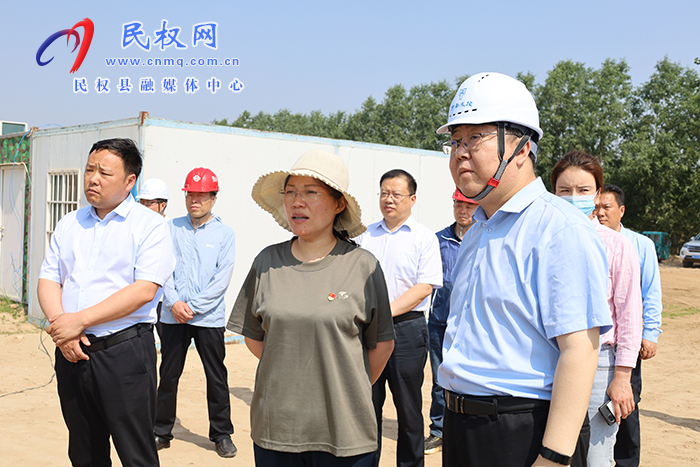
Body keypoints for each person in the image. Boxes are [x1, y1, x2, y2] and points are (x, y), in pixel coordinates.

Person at [436, 72, 612, 467]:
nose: (460, 152)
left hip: (523, 432)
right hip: (462, 428)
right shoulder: (477, 228)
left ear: (520, 146)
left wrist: (553, 456)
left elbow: (579, 349)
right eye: (454, 141)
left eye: (475, 138)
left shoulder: (559, 229)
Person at [227, 150, 395, 467]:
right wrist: (294, 366)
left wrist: (343, 382)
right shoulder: (267, 263)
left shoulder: (363, 267)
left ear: (339, 203)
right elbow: (254, 336)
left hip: (346, 434)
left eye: (311, 192)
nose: (296, 202)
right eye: (290, 192)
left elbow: (382, 344)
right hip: (277, 430)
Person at [38, 138, 176, 467]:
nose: (92, 178)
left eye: (104, 172)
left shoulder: (150, 227)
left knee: (136, 452)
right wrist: (65, 329)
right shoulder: (69, 223)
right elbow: (48, 279)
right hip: (71, 351)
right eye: (89, 170)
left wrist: (78, 320)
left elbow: (144, 290)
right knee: (84, 450)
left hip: (123, 355)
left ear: (130, 181)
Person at [551, 151, 643, 466]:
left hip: (599, 364)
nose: (573, 197)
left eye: (583, 190)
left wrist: (622, 377)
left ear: (597, 194)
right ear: (553, 193)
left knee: (597, 455)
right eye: (564, 191)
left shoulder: (616, 246)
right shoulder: (544, 240)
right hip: (547, 361)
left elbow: (629, 316)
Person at [358, 169, 443, 467]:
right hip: (367, 331)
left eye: (396, 194)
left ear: (412, 199)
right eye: (384, 193)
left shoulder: (424, 238)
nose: (388, 199)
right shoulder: (365, 235)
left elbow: (423, 287)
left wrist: (384, 311)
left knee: (408, 407)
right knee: (368, 405)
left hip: (407, 330)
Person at [154, 167, 237, 458]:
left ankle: (222, 434)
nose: (194, 201)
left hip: (208, 318)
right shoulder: (170, 228)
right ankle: (161, 431)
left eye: (201, 196)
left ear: (213, 198)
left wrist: (195, 307)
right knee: (168, 375)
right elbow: (162, 268)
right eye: (190, 195)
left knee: (216, 377)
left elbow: (222, 279)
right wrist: (174, 302)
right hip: (173, 315)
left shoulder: (225, 235)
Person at [596, 184, 663, 467]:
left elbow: (651, 292)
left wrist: (650, 334)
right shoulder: (587, 239)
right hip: (596, 345)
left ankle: (625, 461)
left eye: (606, 207)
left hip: (627, 343)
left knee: (625, 406)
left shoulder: (640, 245)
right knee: (597, 413)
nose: (599, 213)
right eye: (596, 207)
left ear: (621, 211)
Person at [424, 187, 478, 455]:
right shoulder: (439, 240)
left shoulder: (483, 238)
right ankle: (438, 431)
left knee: (468, 378)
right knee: (438, 379)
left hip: (471, 325)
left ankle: (465, 429)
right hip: (439, 321)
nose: (463, 210)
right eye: (459, 205)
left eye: (468, 205)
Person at [137, 177, 171, 338]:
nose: (144, 207)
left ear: (162, 204)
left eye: (149, 203)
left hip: (164, 299)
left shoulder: (171, 228)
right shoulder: (135, 227)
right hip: (141, 295)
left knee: (168, 344)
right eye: (142, 202)